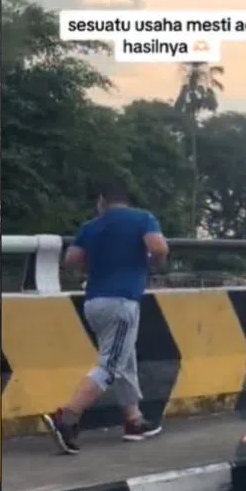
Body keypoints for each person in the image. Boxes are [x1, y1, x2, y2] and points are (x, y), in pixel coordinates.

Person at [42, 181, 169, 454]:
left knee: (124, 358)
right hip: (122, 302)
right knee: (109, 366)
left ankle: (134, 420)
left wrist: (99, 264)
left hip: (94, 302)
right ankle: (67, 417)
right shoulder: (143, 218)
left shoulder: (91, 226)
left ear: (103, 201)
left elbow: (71, 260)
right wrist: (152, 266)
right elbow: (158, 248)